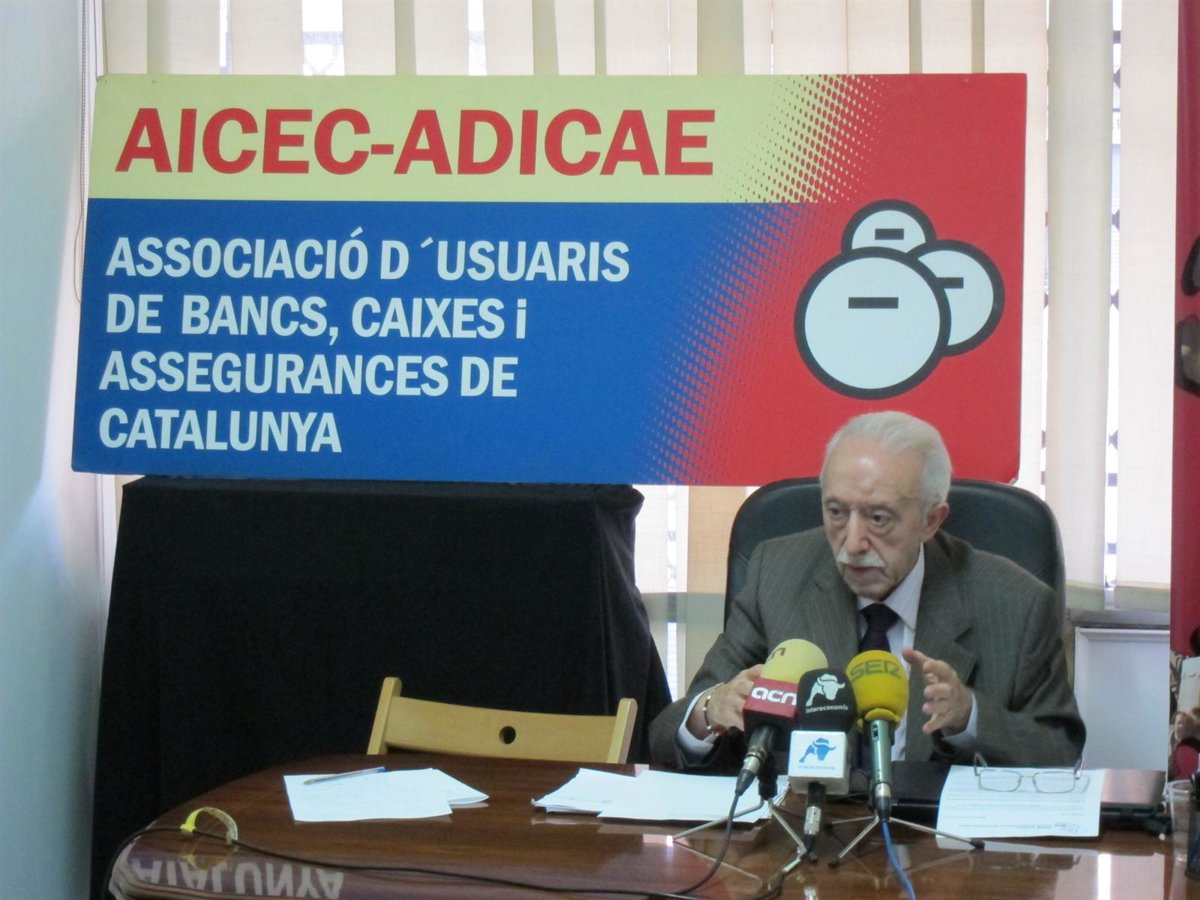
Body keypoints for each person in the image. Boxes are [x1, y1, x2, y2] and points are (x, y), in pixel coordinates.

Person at [648, 411, 1085, 770]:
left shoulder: (1016, 603)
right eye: (836, 513)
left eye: (879, 519)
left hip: (936, 843)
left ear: (931, 521)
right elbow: (666, 736)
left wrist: (970, 718)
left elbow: (1061, 753)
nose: (853, 543)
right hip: (799, 832)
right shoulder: (776, 574)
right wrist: (709, 711)